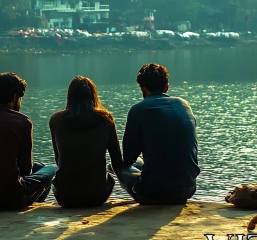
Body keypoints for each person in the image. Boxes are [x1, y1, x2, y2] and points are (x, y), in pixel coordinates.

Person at [111, 63, 200, 204]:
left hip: (154, 193)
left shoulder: (138, 110)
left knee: (117, 166)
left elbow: (128, 159)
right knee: (140, 163)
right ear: (167, 87)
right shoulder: (183, 105)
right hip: (188, 189)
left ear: (143, 88)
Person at [0, 72, 58, 208]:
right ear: (15, 97)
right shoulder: (22, 121)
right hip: (10, 197)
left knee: (38, 167)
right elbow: (25, 169)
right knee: (52, 169)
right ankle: (29, 204)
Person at [49, 76, 123, 208]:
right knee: (110, 175)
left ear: (70, 96)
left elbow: (58, 159)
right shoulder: (106, 119)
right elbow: (116, 159)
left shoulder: (56, 119)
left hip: (65, 197)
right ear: (93, 95)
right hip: (97, 196)